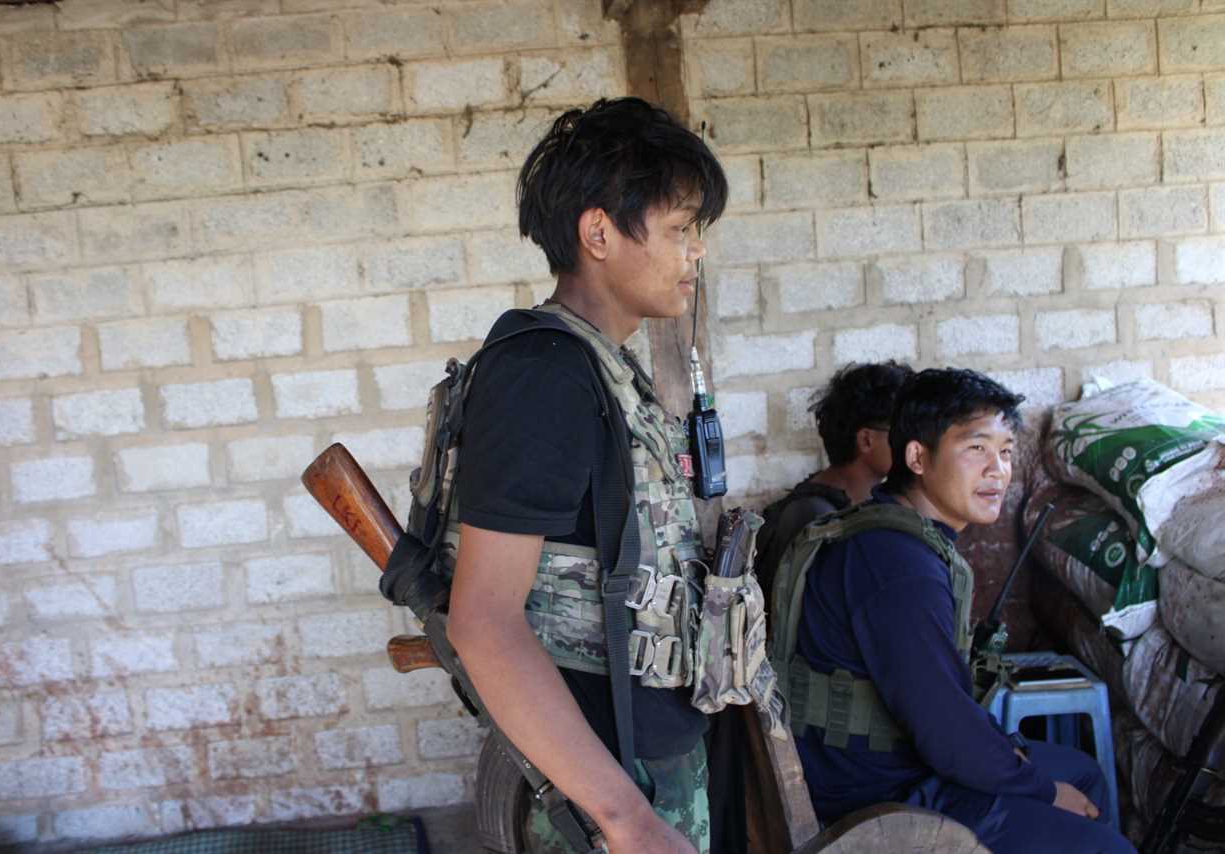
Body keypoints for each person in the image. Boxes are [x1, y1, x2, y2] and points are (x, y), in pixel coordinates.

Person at [445, 98, 728, 854]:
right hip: (600, 796)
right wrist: (626, 819)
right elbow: (483, 622)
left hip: (637, 767)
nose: (696, 252)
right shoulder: (544, 375)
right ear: (598, 233)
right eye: (680, 229)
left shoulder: (600, 367)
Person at [771, 368, 1135, 854]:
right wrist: (1043, 790)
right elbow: (943, 731)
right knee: (1106, 846)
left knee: (1083, 774)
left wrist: (1014, 761)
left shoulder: (893, 533)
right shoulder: (898, 565)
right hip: (880, 795)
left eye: (1006, 451)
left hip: (883, 766)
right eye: (976, 448)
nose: (997, 470)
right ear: (918, 457)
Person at [753, 361, 913, 596]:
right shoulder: (815, 519)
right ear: (866, 440)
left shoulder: (853, 505)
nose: (915, 444)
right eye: (904, 432)